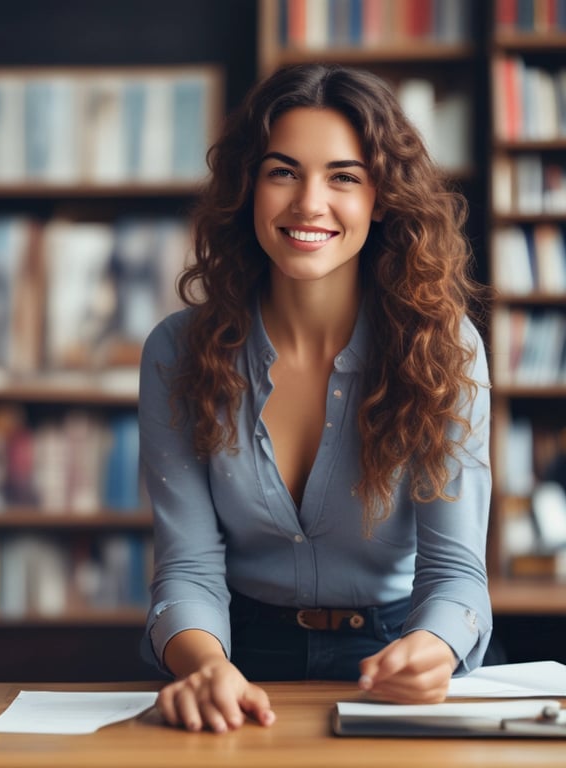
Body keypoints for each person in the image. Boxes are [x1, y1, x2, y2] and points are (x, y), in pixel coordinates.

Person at [138, 63, 492, 734]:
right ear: (248, 187)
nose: (308, 203)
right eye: (283, 172)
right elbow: (187, 565)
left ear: (381, 198)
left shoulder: (445, 349)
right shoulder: (177, 352)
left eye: (343, 177)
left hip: (394, 656)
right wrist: (204, 666)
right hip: (234, 657)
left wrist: (436, 648)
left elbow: (455, 572)